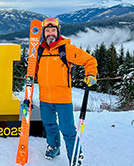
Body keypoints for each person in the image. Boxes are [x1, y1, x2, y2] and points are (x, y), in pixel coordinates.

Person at [36, 18, 97, 166]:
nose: (50, 34)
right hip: (45, 98)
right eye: (48, 31)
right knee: (49, 125)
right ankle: (54, 147)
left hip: (63, 98)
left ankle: (75, 156)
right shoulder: (40, 51)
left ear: (58, 32)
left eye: (53, 31)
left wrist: (90, 75)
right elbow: (35, 69)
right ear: (44, 33)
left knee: (67, 128)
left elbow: (90, 60)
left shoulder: (66, 49)